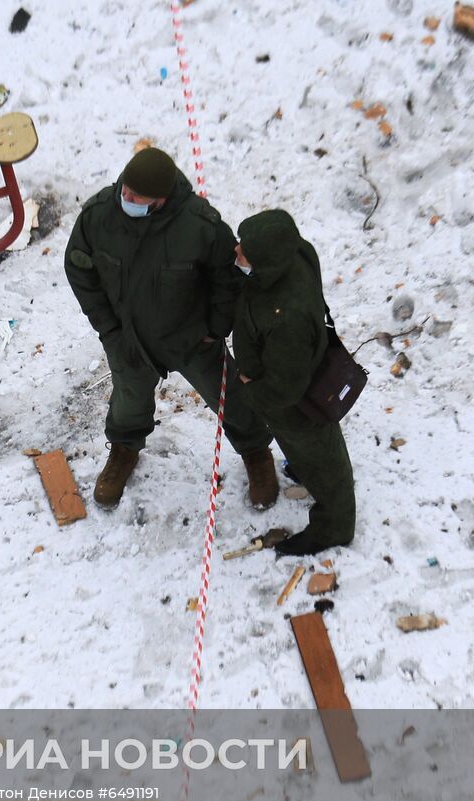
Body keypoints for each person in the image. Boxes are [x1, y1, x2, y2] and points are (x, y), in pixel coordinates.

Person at [64, 147, 278, 510]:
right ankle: (124, 451)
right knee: (128, 400)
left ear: (161, 200)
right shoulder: (99, 216)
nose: (126, 199)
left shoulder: (200, 226)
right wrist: (108, 329)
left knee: (229, 397)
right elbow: (79, 268)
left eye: (137, 197)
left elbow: (227, 279)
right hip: (129, 339)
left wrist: (215, 327)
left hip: (191, 338)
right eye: (125, 190)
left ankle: (256, 452)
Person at [231, 209, 356, 555]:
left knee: (323, 458)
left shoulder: (287, 318)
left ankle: (334, 527)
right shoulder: (296, 252)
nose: (237, 252)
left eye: (245, 252)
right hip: (288, 383)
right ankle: (305, 470)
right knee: (301, 449)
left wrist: (249, 387)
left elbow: (285, 389)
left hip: (296, 402)